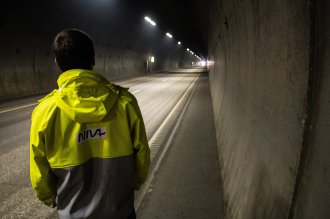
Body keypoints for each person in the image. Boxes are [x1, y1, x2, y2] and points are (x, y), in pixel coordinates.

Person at [30, 29, 150, 219]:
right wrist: (133, 184)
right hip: (120, 211)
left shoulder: (45, 112)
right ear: (93, 59)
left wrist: (49, 197)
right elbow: (142, 154)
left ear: (57, 62)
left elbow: (39, 167)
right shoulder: (125, 103)